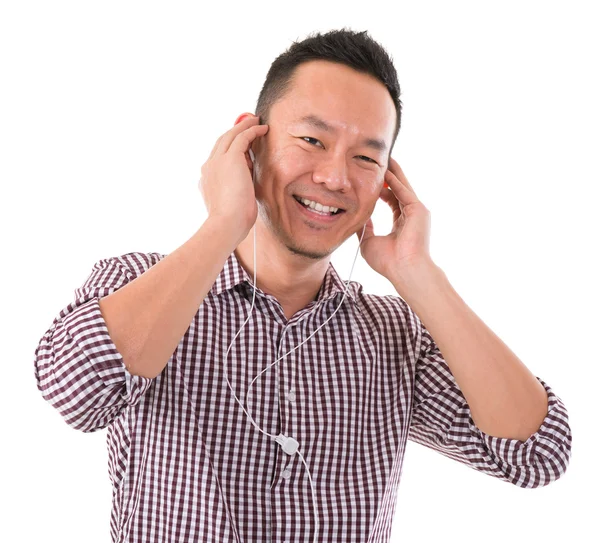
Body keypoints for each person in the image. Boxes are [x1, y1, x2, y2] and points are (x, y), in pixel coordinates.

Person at [34, 28, 572, 543]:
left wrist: (420, 276)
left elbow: (536, 455)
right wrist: (224, 223)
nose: (335, 178)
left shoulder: (393, 336)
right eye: (312, 139)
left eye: (365, 157)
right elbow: (74, 394)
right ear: (251, 143)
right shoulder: (136, 280)